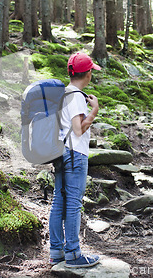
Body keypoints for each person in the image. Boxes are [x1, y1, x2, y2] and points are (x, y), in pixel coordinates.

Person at [49, 52, 101, 268]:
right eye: (91, 71)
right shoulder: (78, 97)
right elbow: (79, 130)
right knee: (73, 204)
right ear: (87, 74)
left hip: (61, 153)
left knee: (58, 201)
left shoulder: (62, 93)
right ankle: (73, 254)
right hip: (75, 154)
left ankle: (56, 252)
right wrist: (94, 110)